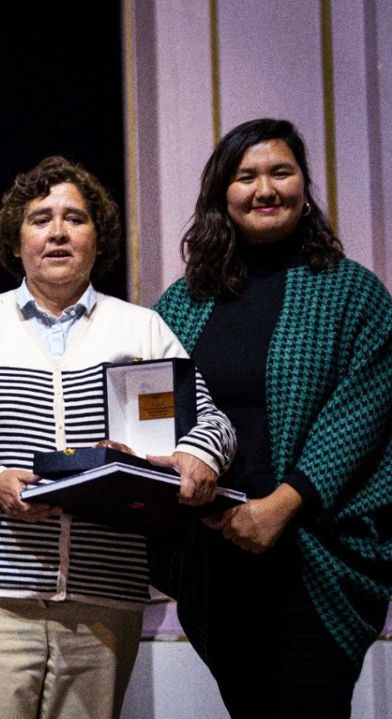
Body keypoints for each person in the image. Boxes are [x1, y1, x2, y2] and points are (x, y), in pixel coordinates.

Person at [0, 156, 236, 719]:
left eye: (75, 218)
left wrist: (195, 455)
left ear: (97, 239)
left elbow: (212, 422)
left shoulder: (141, 328)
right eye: (40, 218)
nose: (57, 231)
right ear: (17, 238)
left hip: (105, 599)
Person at [150, 118, 392, 718]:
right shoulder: (182, 302)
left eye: (280, 172)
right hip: (217, 562)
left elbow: (361, 415)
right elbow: (156, 407)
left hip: (313, 558)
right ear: (221, 196)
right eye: (246, 176)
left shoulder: (352, 293)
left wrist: (280, 506)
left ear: (304, 187)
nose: (265, 189)